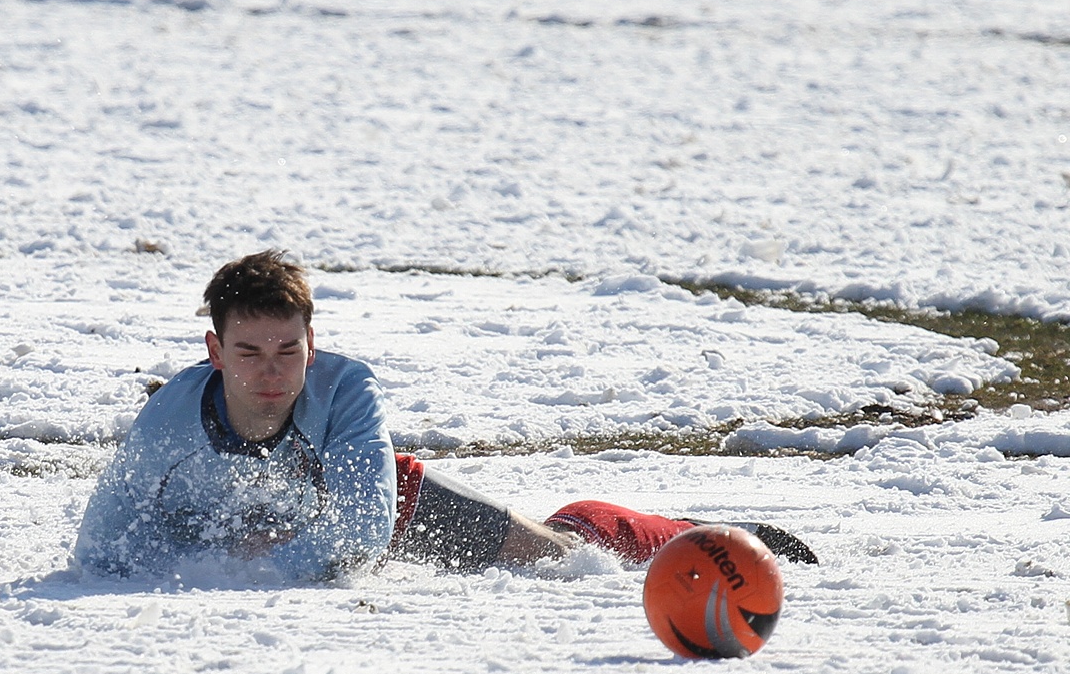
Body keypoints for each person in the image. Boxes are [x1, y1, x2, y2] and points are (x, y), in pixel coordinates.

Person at [74, 250, 816, 580]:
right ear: (213, 350)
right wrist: (201, 561)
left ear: (313, 343)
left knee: (559, 558)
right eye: (248, 352)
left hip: (375, 500)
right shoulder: (169, 420)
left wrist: (263, 563)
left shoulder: (348, 390)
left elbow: (362, 536)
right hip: (245, 520)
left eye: (287, 350)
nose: (271, 373)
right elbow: (102, 546)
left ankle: (693, 535)